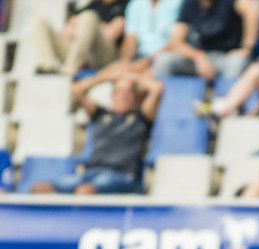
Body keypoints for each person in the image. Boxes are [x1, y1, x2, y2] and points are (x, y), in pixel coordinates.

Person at [31, 65, 163, 195]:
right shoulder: (100, 114)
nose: (122, 96)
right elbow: (76, 90)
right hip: (91, 173)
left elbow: (157, 89)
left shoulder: (141, 118)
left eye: (127, 92)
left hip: (121, 176)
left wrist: (130, 76)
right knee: (40, 189)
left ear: (134, 96)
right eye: (118, 91)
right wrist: (106, 77)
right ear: (112, 95)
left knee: (85, 191)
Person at [153, 0, 259, 80]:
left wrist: (247, 47)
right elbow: (176, 41)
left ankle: (225, 107)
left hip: (227, 57)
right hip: (201, 57)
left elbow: (252, 11)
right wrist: (197, 56)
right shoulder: (190, 4)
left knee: (236, 63)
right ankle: (166, 107)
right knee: (164, 61)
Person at [32, 0, 127, 75]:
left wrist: (91, 27)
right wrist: (87, 30)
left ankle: (69, 70)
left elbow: (112, 33)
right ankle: (47, 67)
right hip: (80, 48)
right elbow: (67, 30)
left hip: (104, 54)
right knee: (39, 23)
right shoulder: (94, 4)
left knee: (89, 17)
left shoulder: (124, 4)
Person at [119, 0, 184, 65]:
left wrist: (146, 62)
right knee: (114, 71)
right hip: (140, 57)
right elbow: (130, 38)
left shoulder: (178, 3)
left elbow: (175, 42)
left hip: (165, 59)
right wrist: (125, 63)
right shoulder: (136, 3)